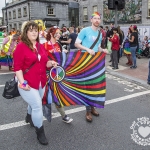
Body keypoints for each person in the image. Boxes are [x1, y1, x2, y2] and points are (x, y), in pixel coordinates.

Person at [13, 21, 58, 145]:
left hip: (41, 81)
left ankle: (29, 116)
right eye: (31, 30)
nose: (34, 32)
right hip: (27, 82)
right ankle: (40, 132)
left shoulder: (40, 46)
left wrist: (51, 63)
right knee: (37, 105)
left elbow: (45, 63)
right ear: (26, 32)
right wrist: (22, 82)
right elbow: (17, 68)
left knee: (35, 101)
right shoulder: (21, 47)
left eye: (36, 30)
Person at [75, 12, 108, 122]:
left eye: (99, 18)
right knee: (87, 87)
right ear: (91, 20)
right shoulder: (85, 30)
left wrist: (103, 50)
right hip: (85, 61)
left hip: (95, 62)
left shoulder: (99, 33)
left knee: (95, 86)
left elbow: (97, 47)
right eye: (95, 18)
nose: (97, 20)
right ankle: (88, 111)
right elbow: (76, 44)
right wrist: (87, 49)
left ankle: (93, 107)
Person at [43, 26, 73, 123]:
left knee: (57, 95)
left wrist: (64, 53)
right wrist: (50, 61)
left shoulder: (58, 44)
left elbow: (60, 57)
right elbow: (42, 60)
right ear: (51, 34)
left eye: (59, 33)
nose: (59, 35)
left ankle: (63, 115)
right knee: (45, 96)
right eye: (57, 33)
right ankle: (30, 114)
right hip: (47, 74)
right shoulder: (44, 45)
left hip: (58, 75)